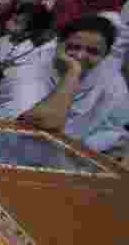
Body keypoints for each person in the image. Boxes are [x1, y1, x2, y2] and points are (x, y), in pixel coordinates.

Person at [16, 16, 128, 154]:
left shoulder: (112, 82)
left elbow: (111, 131)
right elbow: (43, 123)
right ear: (59, 45)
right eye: (73, 47)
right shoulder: (36, 66)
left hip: (70, 157)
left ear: (106, 55)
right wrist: (73, 72)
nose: (80, 56)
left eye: (93, 52)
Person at [0, 2, 55, 117]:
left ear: (29, 32)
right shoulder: (3, 40)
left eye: (17, 22)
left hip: (10, 97)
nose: (10, 21)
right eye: (13, 17)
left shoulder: (32, 48)